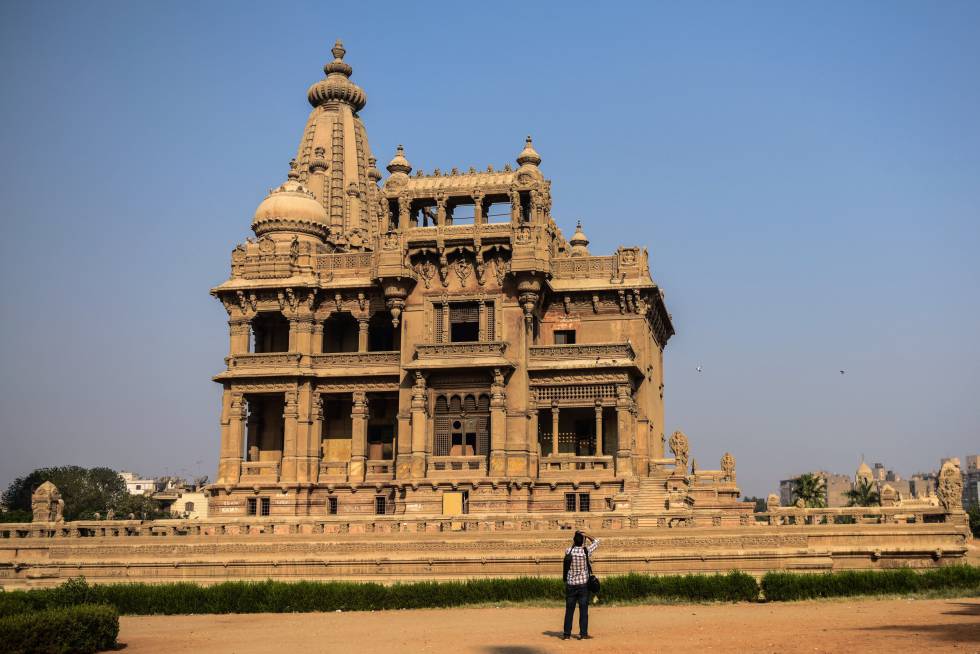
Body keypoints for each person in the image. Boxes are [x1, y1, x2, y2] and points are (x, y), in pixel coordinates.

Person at [562, 530, 599, 640]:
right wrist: (586, 535)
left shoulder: (568, 550)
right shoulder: (585, 551)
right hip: (583, 584)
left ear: (574, 541)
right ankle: (583, 634)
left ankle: (567, 635)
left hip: (571, 584)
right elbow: (596, 542)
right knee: (583, 610)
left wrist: (577, 540)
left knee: (569, 610)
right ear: (582, 541)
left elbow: (571, 548)